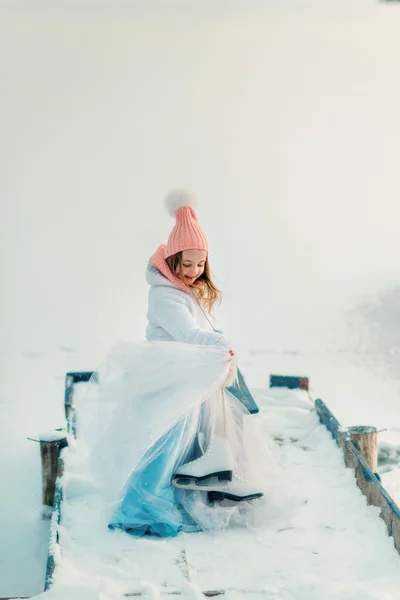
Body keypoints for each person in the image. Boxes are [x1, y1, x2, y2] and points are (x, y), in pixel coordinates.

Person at [77, 189, 286, 538]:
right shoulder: (165, 294)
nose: (193, 271)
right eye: (185, 264)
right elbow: (188, 334)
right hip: (171, 378)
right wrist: (221, 344)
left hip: (190, 375)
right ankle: (147, 504)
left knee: (227, 411)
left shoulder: (189, 291)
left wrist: (220, 346)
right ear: (172, 261)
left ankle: (221, 471)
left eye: (199, 263)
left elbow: (202, 331)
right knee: (170, 440)